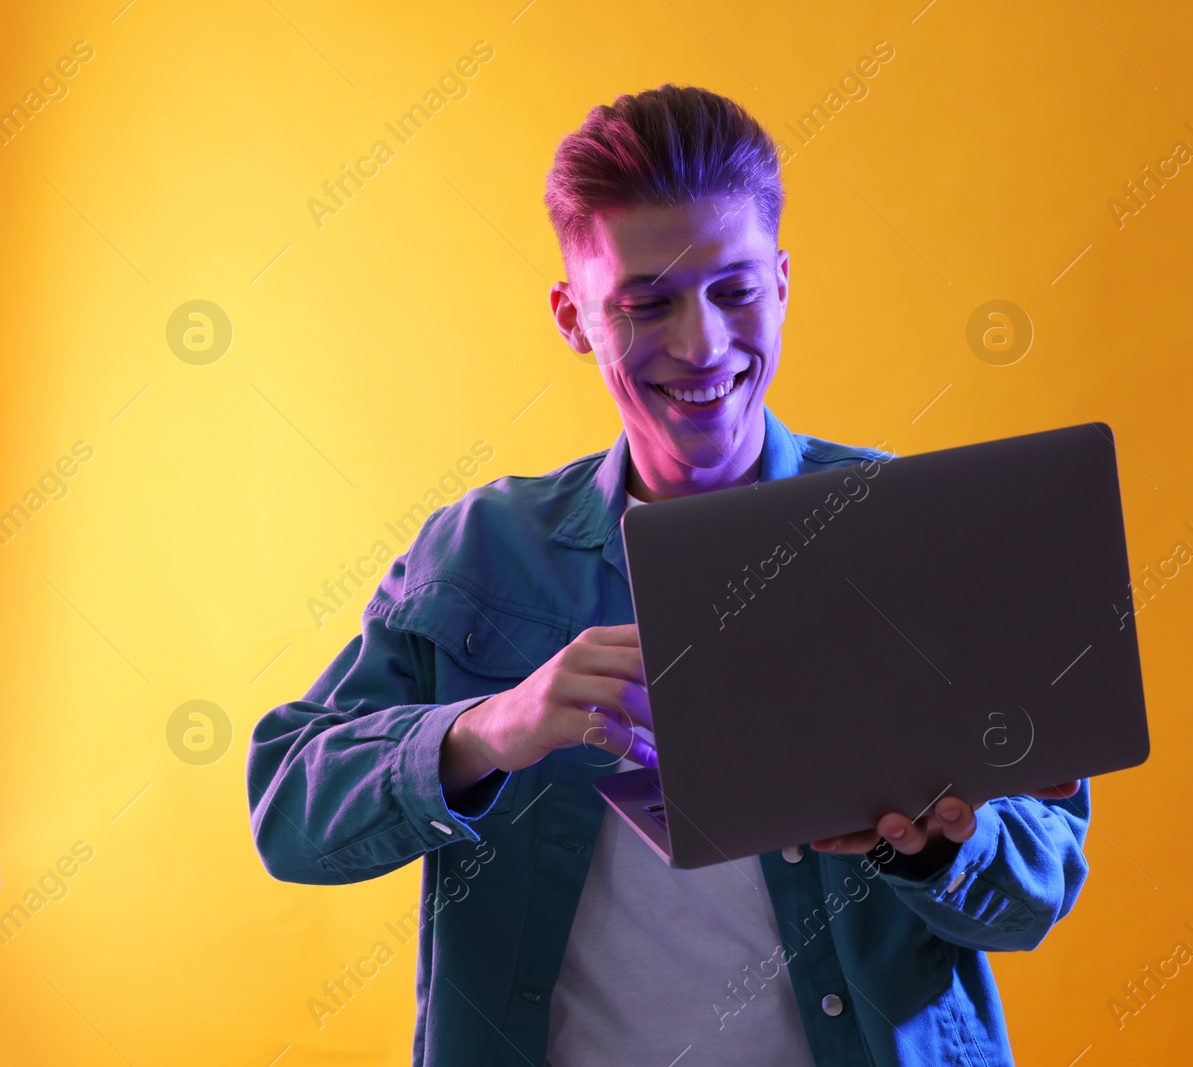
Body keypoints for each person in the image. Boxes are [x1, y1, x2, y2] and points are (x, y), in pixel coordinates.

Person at [247, 83, 1090, 1067]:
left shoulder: (902, 527)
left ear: (781, 285)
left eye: (733, 290)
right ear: (573, 316)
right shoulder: (479, 549)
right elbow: (289, 814)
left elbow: (1042, 880)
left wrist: (942, 843)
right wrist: (488, 728)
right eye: (647, 300)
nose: (701, 345)